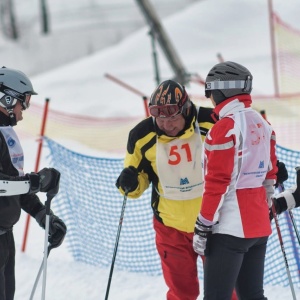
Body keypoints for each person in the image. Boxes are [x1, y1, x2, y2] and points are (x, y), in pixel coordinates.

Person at [116, 79, 238, 300]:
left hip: (215, 224)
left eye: (172, 118)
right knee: (182, 293)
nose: (166, 125)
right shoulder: (141, 136)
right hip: (171, 228)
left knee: (227, 292)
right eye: (160, 119)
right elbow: (136, 181)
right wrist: (130, 183)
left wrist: (270, 166)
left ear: (186, 108)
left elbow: (244, 153)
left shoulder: (213, 122)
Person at [193, 61, 278, 300]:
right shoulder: (263, 124)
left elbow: (217, 183)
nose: (211, 100)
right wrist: (265, 209)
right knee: (253, 296)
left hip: (229, 230)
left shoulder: (224, 128)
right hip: (258, 228)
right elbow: (270, 175)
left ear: (221, 91)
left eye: (211, 93)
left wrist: (203, 224)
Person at [0, 67, 67, 300]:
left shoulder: (6, 134)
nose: (24, 109)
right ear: (6, 99)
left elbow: (16, 184)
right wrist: (35, 183)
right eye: (23, 101)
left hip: (4, 238)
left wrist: (43, 216)